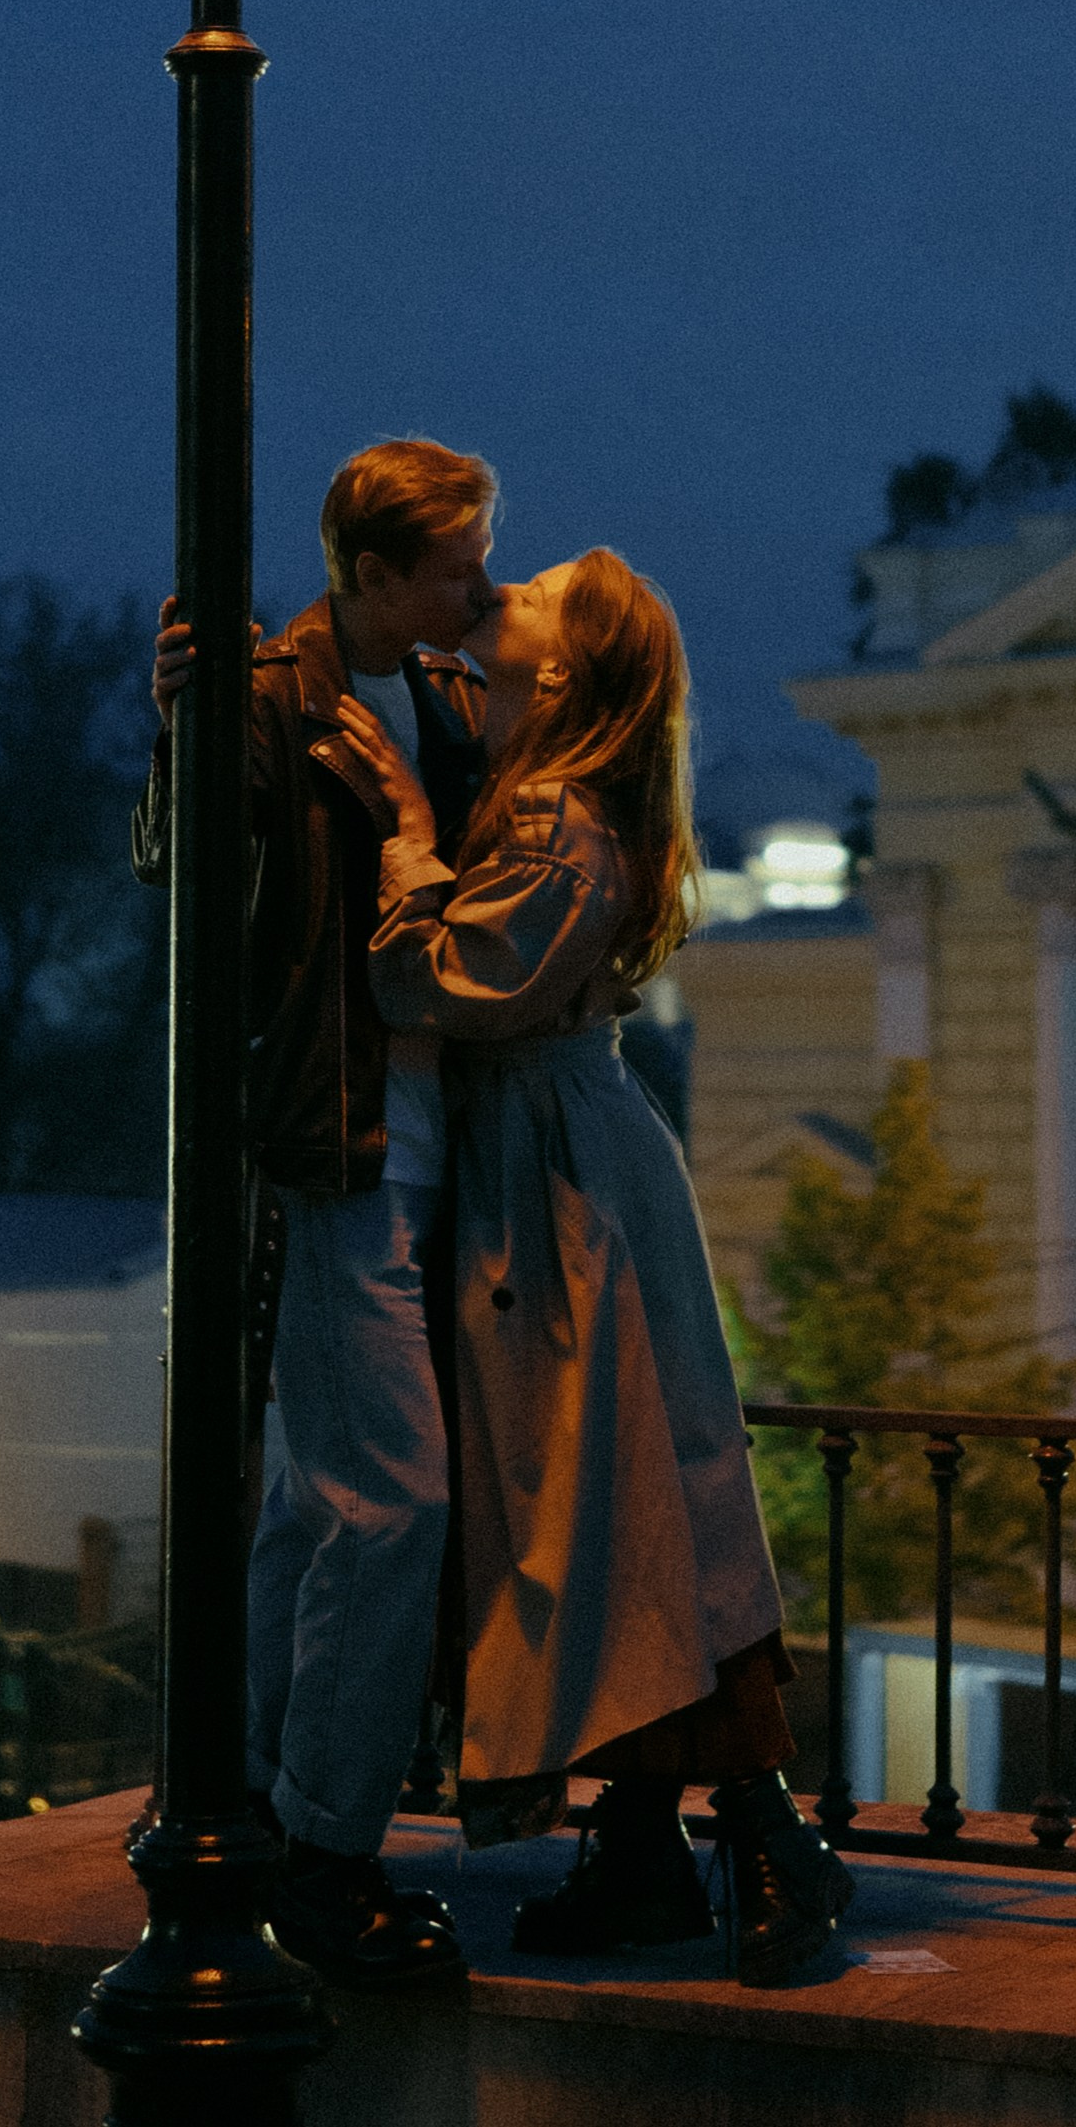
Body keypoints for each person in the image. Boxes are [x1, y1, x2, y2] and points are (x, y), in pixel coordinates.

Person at [346, 550, 856, 1988]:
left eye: (536, 592)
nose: (501, 589)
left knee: (618, 1498)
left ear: (561, 670)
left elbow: (439, 977)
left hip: (558, 1181)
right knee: (619, 1496)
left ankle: (756, 1847)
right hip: (562, 1165)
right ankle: (650, 1854)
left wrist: (395, 833)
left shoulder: (561, 822)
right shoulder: (549, 786)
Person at [138, 436, 496, 1990]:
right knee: (389, 1499)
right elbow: (185, 874)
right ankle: (329, 1851)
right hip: (330, 1147)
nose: (474, 585)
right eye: (450, 563)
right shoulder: (274, 690)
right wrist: (189, 732)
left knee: (317, 1500)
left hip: (409, 1142)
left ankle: (246, 1802)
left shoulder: (438, 691)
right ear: (367, 568)